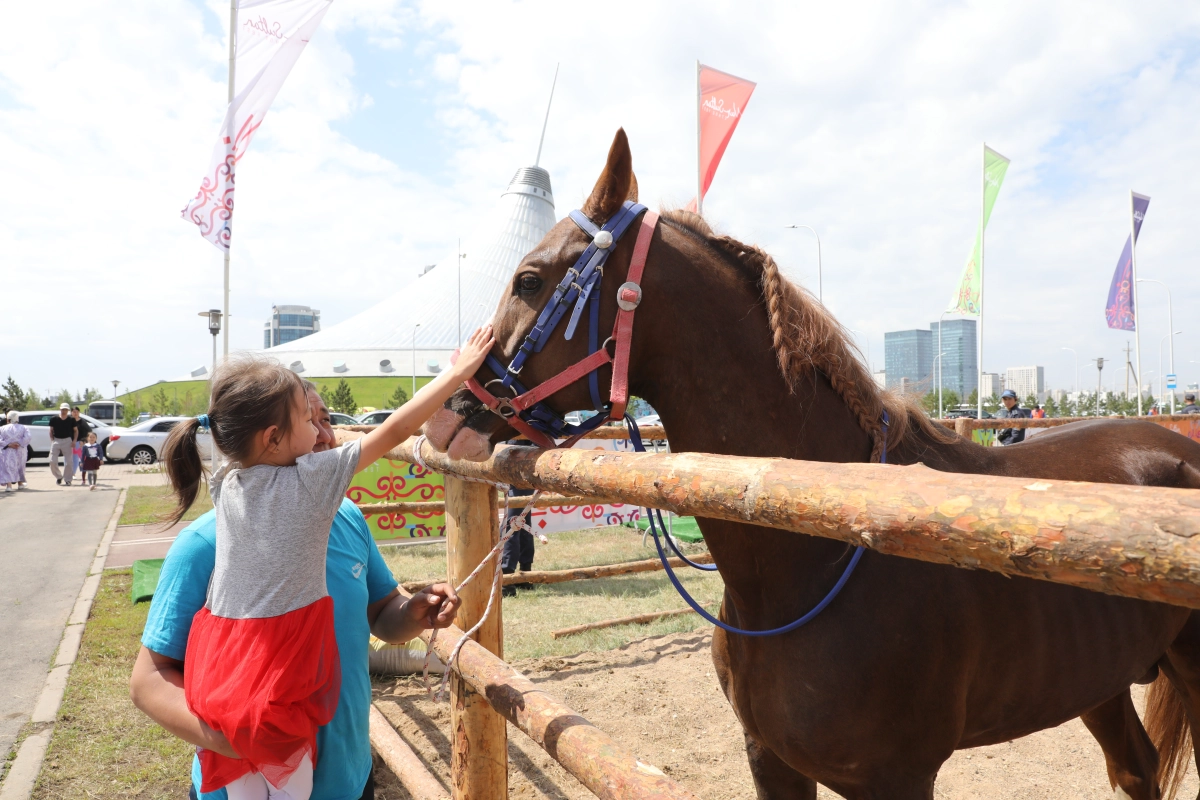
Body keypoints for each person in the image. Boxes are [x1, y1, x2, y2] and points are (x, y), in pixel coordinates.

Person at [146, 326, 492, 800]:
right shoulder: (211, 539)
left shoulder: (241, 486)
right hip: (265, 743)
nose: (327, 434)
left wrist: (410, 611)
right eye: (311, 420)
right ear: (273, 439)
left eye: (327, 417)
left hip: (345, 770)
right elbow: (395, 428)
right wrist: (458, 373)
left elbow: (381, 615)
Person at [0, 410, 31, 491]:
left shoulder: (2, 428)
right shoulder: (24, 427)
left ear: (8, 419)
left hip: (7, 451)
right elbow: (28, 437)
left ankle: (9, 486)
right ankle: (20, 484)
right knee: (20, 466)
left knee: (7, 467)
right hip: (20, 451)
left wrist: (8, 444)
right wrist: (19, 443)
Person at [48, 403, 77, 485]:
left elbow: (75, 431)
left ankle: (68, 479)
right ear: (60, 409)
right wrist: (52, 440)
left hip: (67, 440)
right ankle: (59, 476)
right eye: (62, 409)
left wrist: (74, 441)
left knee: (69, 462)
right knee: (52, 461)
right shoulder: (54, 419)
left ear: (68, 410)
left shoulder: (71, 419)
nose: (64, 411)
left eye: (65, 410)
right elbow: (51, 430)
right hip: (56, 440)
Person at [72, 407, 93, 479]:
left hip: (79, 443)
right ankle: (70, 474)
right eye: (74, 412)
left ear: (79, 413)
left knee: (77, 459)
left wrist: (83, 440)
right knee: (68, 459)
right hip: (69, 442)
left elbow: (89, 431)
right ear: (71, 413)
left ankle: (73, 474)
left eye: (77, 412)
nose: (75, 413)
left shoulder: (82, 422)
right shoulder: (69, 421)